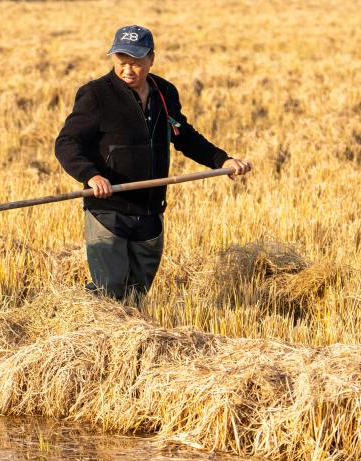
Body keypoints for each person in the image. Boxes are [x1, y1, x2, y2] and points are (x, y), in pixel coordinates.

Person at [55, 25, 253, 301]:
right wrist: (91, 176)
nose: (127, 70)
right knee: (109, 291)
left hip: (150, 209)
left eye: (135, 63)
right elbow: (66, 143)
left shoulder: (165, 93)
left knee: (137, 294)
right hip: (108, 208)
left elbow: (184, 136)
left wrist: (223, 160)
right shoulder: (96, 94)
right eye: (121, 62)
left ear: (151, 59)